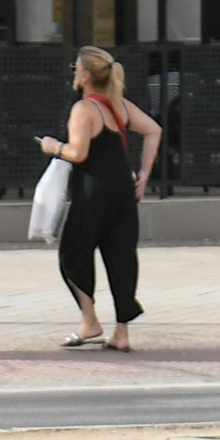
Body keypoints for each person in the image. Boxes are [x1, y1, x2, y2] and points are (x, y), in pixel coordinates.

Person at [38, 45, 162, 354]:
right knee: (121, 257)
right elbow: (154, 130)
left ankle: (89, 320)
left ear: (86, 76)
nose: (73, 74)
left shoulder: (84, 109)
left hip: (93, 192)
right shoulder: (119, 106)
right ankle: (121, 333)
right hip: (122, 190)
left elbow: (78, 153)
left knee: (73, 253)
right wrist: (144, 173)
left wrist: (54, 146)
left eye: (75, 69)